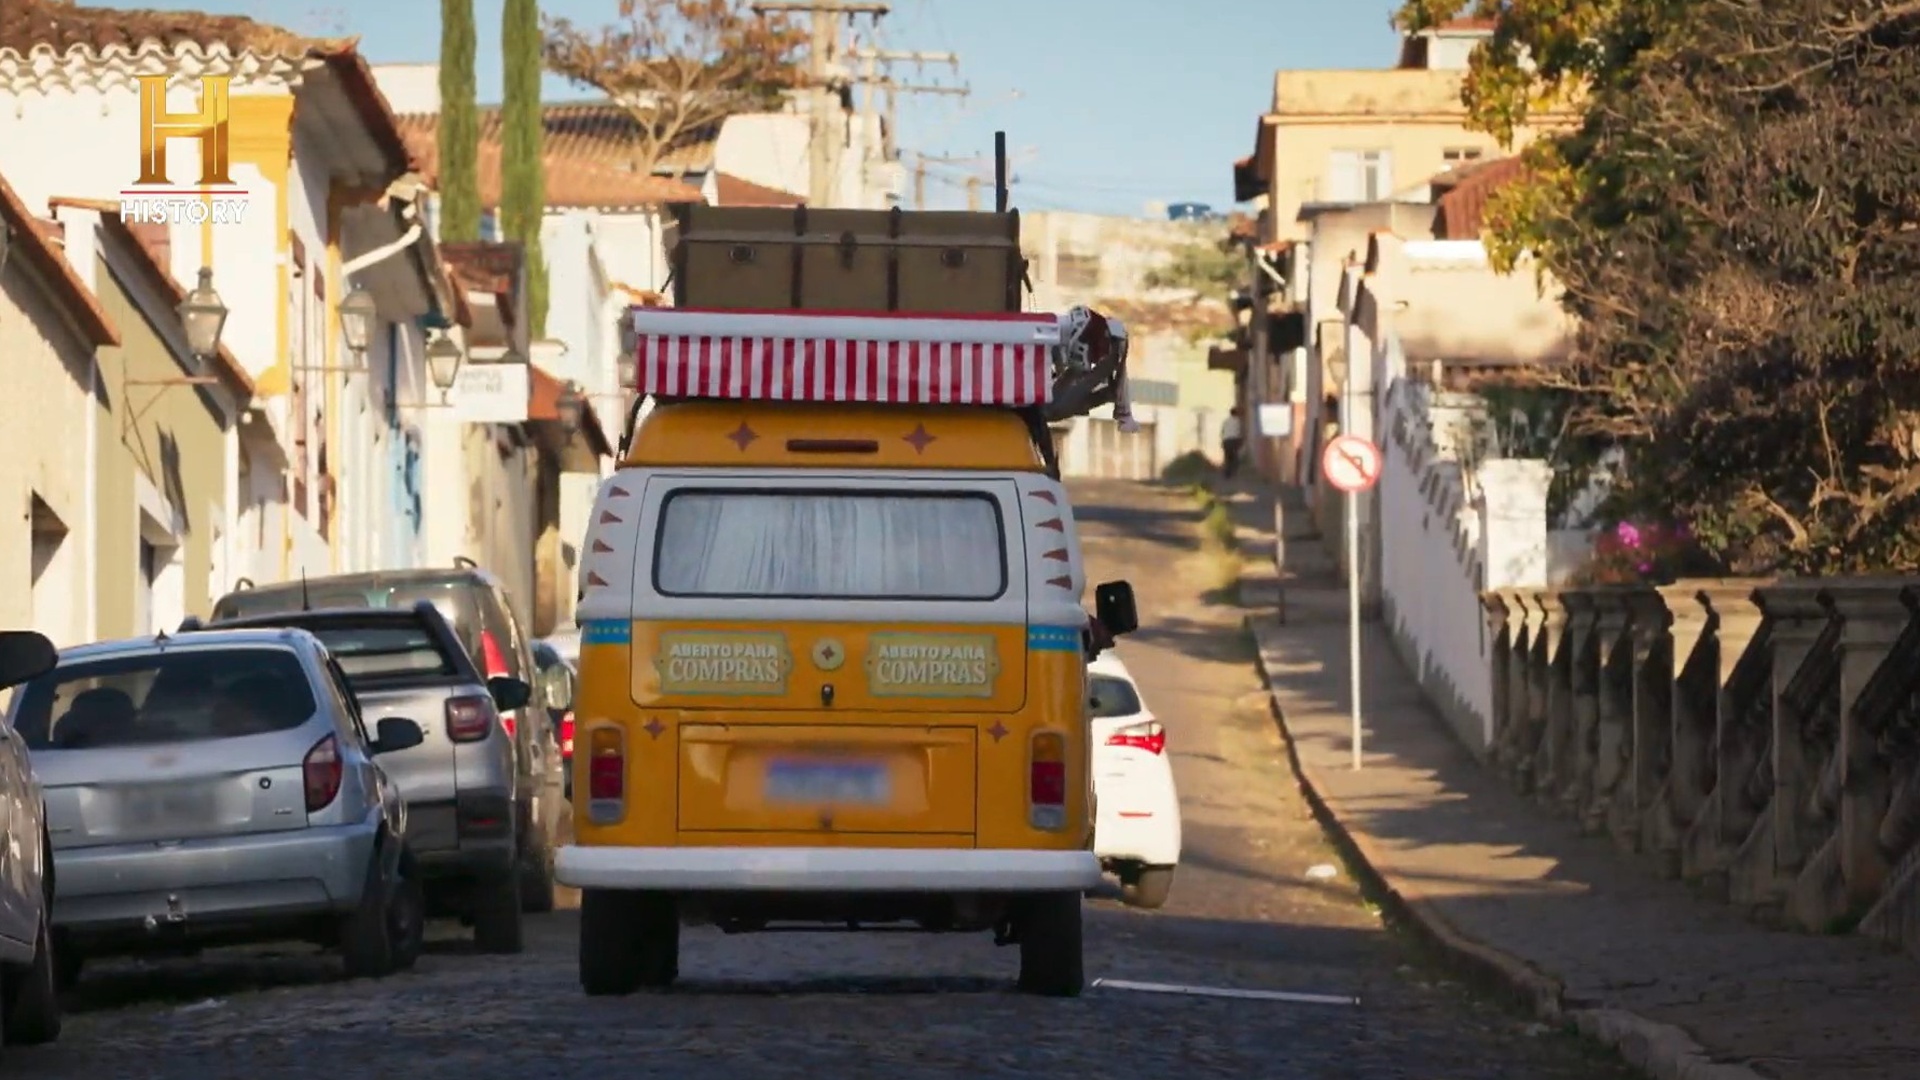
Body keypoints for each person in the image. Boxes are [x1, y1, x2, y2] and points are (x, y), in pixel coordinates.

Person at [1220, 407, 1244, 480]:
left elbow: (1222, 431)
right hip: (1234, 440)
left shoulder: (1225, 421)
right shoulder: (1237, 421)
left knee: (1227, 457)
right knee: (1235, 457)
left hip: (1226, 440)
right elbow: (1239, 431)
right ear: (1236, 414)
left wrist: (1223, 440)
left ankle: (1227, 473)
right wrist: (1240, 441)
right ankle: (1234, 472)